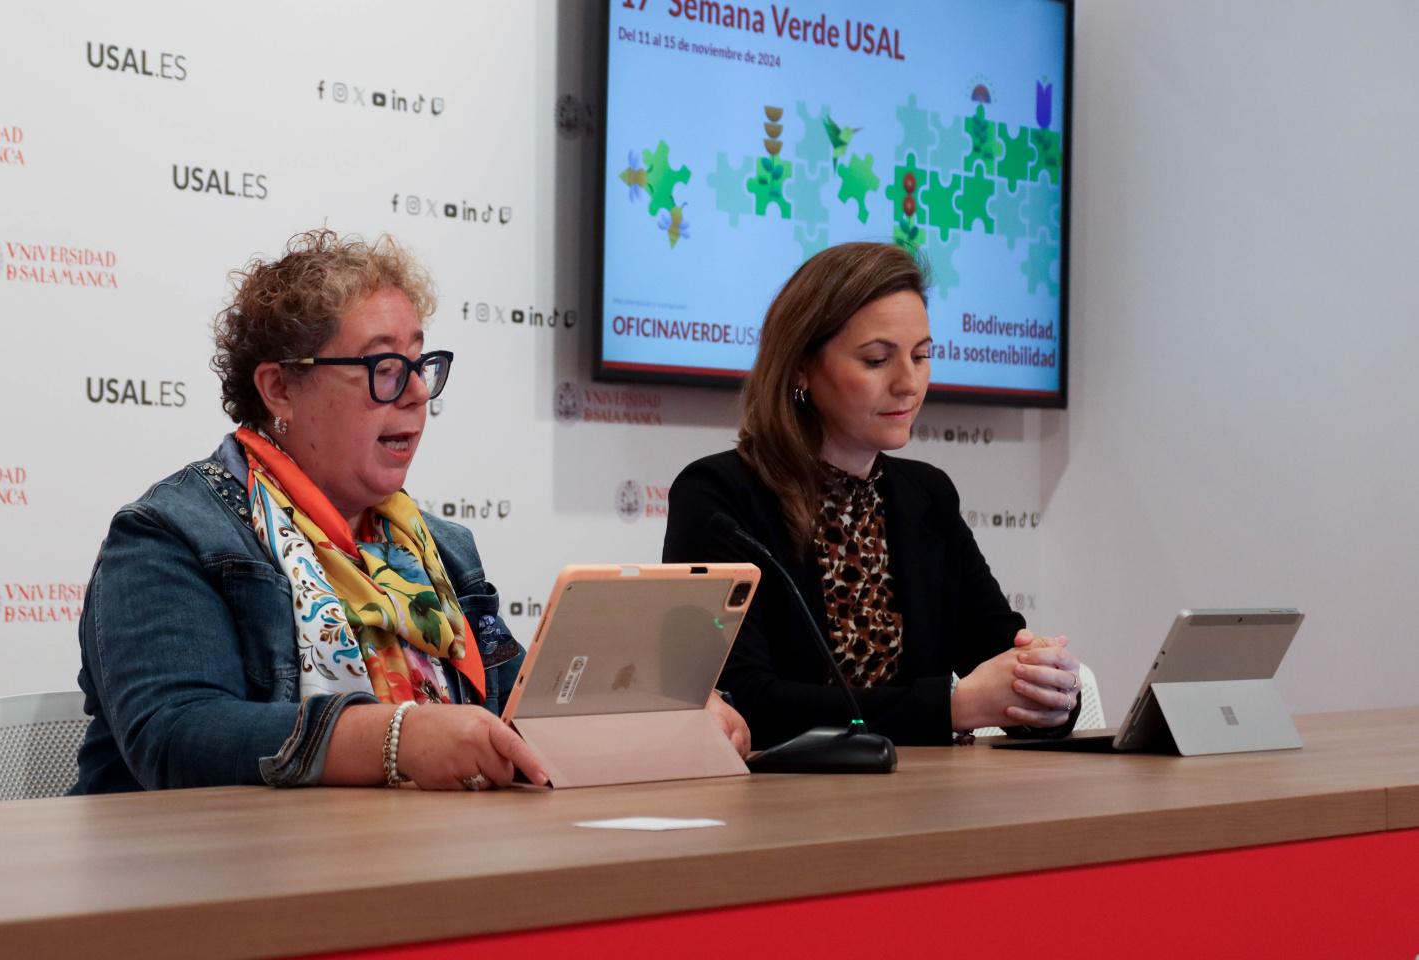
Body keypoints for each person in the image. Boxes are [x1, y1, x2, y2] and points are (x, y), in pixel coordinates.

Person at [71, 229, 749, 793]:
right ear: (279, 388)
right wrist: (396, 736)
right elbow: (176, 736)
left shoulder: (441, 549)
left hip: (417, 865)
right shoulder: (170, 534)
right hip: (225, 882)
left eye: (420, 365)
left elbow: (514, 706)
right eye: (384, 369)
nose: (418, 392)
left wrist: (659, 713)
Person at [663, 242, 1081, 750]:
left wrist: (1045, 684)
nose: (909, 383)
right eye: (877, 360)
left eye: (921, 356)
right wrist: (951, 707)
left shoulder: (927, 495)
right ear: (801, 366)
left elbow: (998, 655)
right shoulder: (720, 496)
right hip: (782, 794)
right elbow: (745, 701)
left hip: (921, 788)